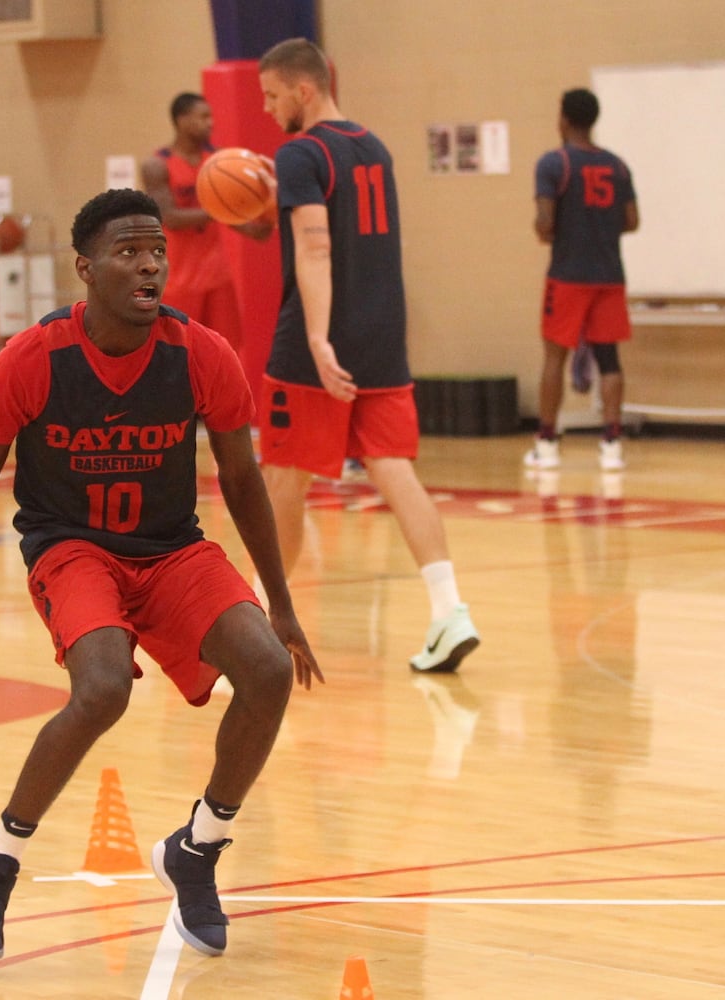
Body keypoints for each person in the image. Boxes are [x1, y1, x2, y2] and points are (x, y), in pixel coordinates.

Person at [0, 189, 321, 960]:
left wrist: (280, 603)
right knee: (101, 689)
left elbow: (242, 479)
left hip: (171, 548)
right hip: (72, 549)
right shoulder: (33, 358)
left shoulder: (202, 354)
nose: (149, 263)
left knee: (265, 668)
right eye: (128, 251)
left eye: (155, 249)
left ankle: (198, 846)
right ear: (85, 269)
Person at [256, 38, 479, 674]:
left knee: (283, 478)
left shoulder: (300, 153)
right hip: (383, 339)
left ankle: (255, 619)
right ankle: (449, 612)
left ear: (303, 90)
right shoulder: (373, 147)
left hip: (314, 343)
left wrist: (320, 339)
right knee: (395, 470)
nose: (269, 110)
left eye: (272, 96)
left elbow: (316, 250)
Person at [525, 88, 639, 472]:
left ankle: (546, 442)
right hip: (609, 275)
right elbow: (632, 221)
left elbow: (545, 223)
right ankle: (611, 443)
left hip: (569, 275)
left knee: (555, 356)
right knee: (609, 359)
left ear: (565, 119)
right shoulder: (618, 166)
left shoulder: (553, 163)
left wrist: (547, 229)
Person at [140, 92, 272, 350]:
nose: (210, 123)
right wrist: (220, 206)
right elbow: (169, 218)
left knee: (225, 351)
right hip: (178, 279)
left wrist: (263, 218)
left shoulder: (219, 160)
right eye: (203, 117)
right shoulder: (158, 165)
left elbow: (242, 222)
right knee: (177, 354)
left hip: (217, 277)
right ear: (182, 120)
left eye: (211, 116)